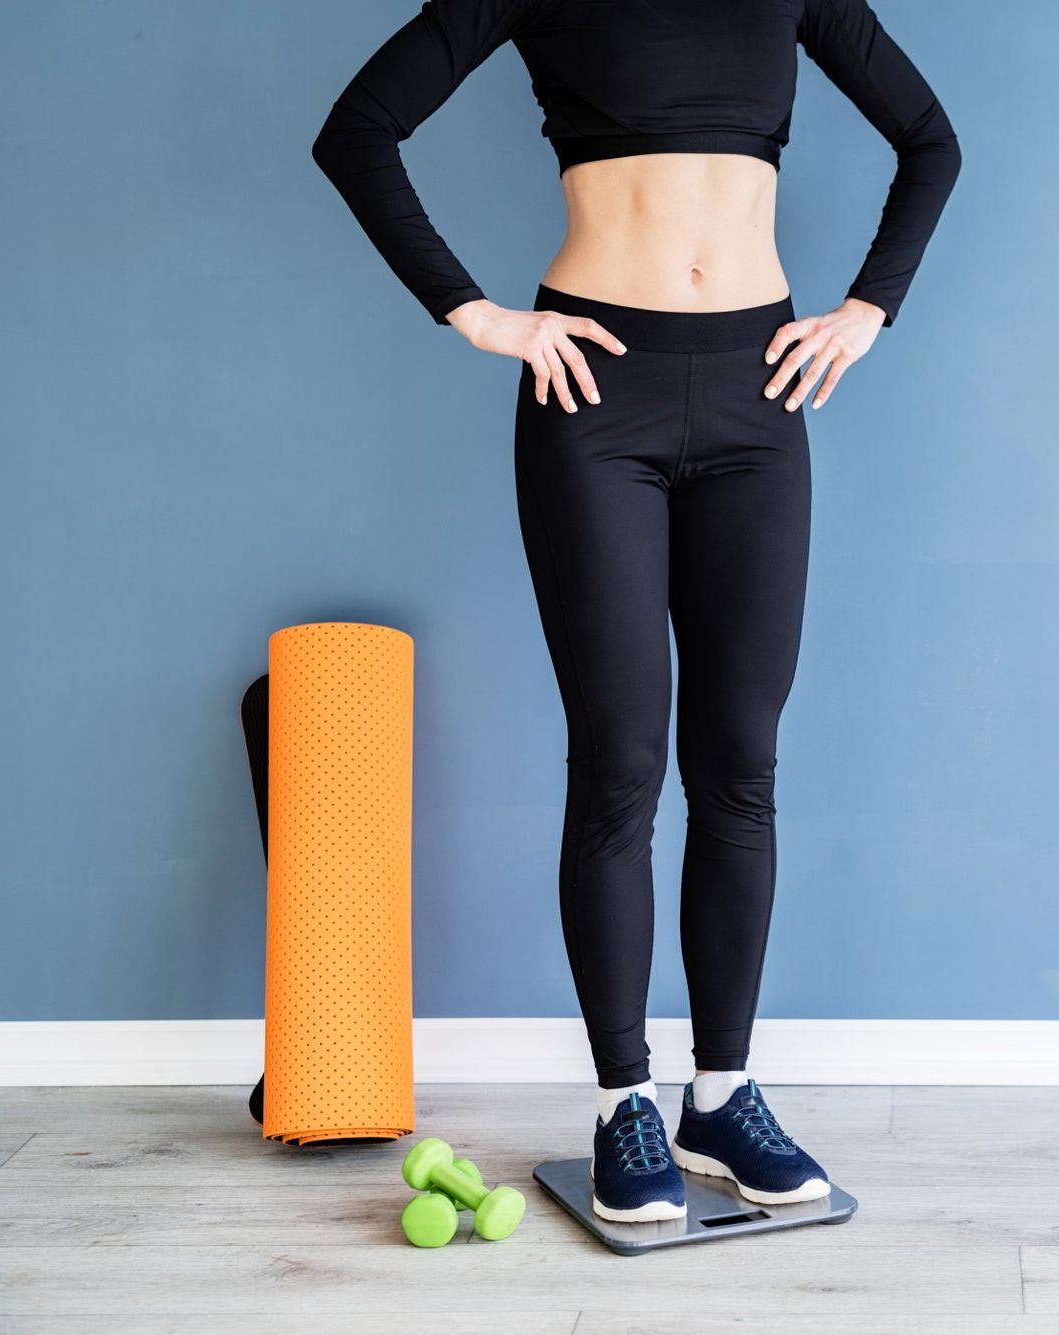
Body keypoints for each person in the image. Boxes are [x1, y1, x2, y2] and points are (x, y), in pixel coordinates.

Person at [310, 0, 959, 1222]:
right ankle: (623, 1104)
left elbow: (930, 137)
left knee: (740, 765)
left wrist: (870, 305)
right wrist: (476, 312)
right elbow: (358, 131)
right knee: (619, 762)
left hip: (758, 398)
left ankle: (721, 1094)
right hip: (593, 396)